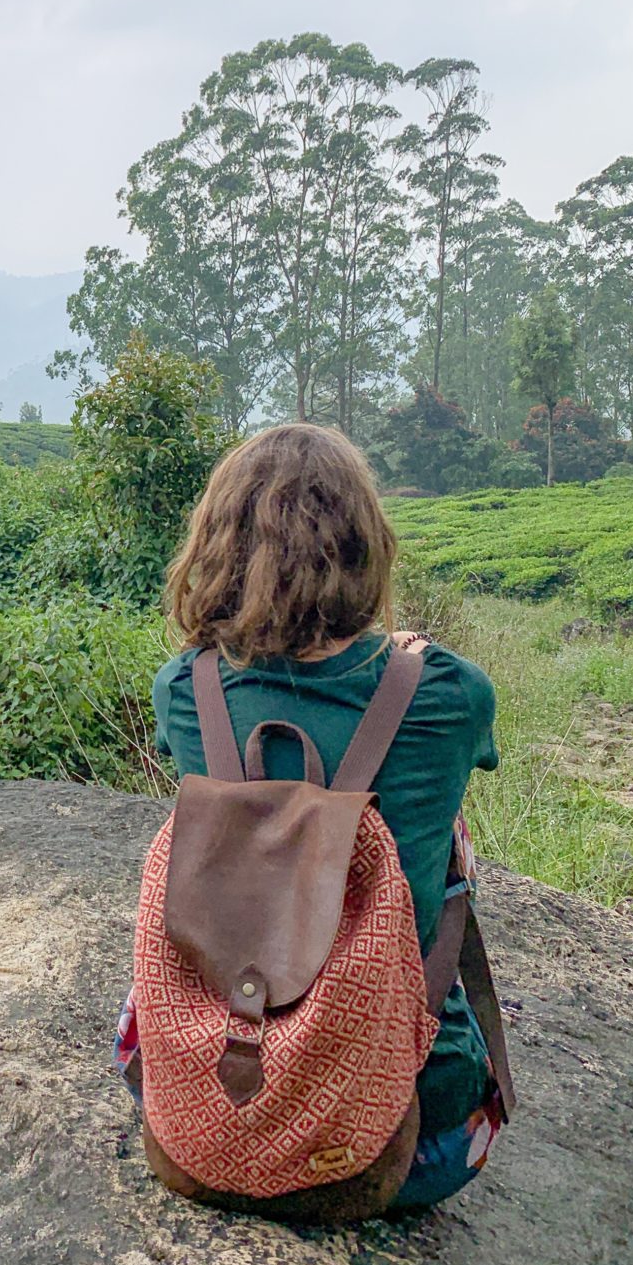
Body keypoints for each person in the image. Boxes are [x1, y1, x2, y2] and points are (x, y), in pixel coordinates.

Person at [114, 421, 505, 1210]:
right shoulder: (451, 693)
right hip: (410, 1141)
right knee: (446, 846)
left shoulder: (184, 690)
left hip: (200, 1123)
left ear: (219, 545)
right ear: (365, 545)